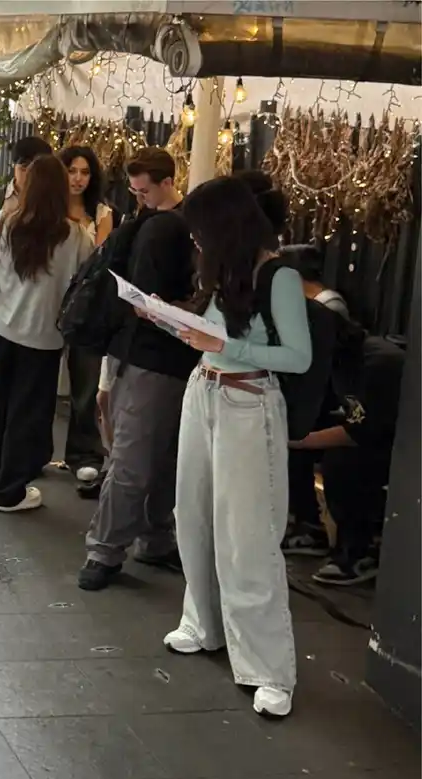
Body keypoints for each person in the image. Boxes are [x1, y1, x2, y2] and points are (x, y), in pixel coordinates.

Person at [164, 175, 312, 719]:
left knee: (247, 535)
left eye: (200, 230)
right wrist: (172, 320)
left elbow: (297, 357)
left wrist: (225, 343)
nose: (194, 240)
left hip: (248, 403)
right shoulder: (220, 269)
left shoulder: (278, 275)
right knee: (192, 515)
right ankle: (202, 623)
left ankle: (269, 669)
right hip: (203, 390)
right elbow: (213, 339)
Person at [77, 147, 198, 590]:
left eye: (143, 190)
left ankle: (120, 545)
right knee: (150, 457)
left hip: (140, 353)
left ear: (166, 182)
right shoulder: (172, 227)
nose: (139, 197)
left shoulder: (151, 226)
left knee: (140, 456)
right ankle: (120, 545)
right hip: (164, 355)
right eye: (136, 191)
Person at [0, 156, 93, 512]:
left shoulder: (5, 221)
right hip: (45, 338)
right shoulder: (77, 236)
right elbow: (89, 281)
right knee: (27, 414)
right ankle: (9, 491)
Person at [293, 335, 404, 586]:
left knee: (342, 462)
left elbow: (364, 432)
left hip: (402, 443)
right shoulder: (332, 363)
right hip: (374, 433)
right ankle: (309, 527)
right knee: (299, 445)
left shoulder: (379, 365)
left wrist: (296, 440)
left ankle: (358, 551)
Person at [58, 145, 111, 487]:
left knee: (86, 385)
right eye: (72, 170)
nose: (78, 178)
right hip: (47, 300)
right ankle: (32, 451)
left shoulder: (101, 213)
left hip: (84, 305)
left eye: (85, 172)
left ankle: (83, 454)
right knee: (37, 381)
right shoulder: (48, 207)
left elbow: (99, 259)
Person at [0, 136, 52, 229]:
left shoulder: (52, 201)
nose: (30, 174)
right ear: (14, 165)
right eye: (24, 167)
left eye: (37, 169)